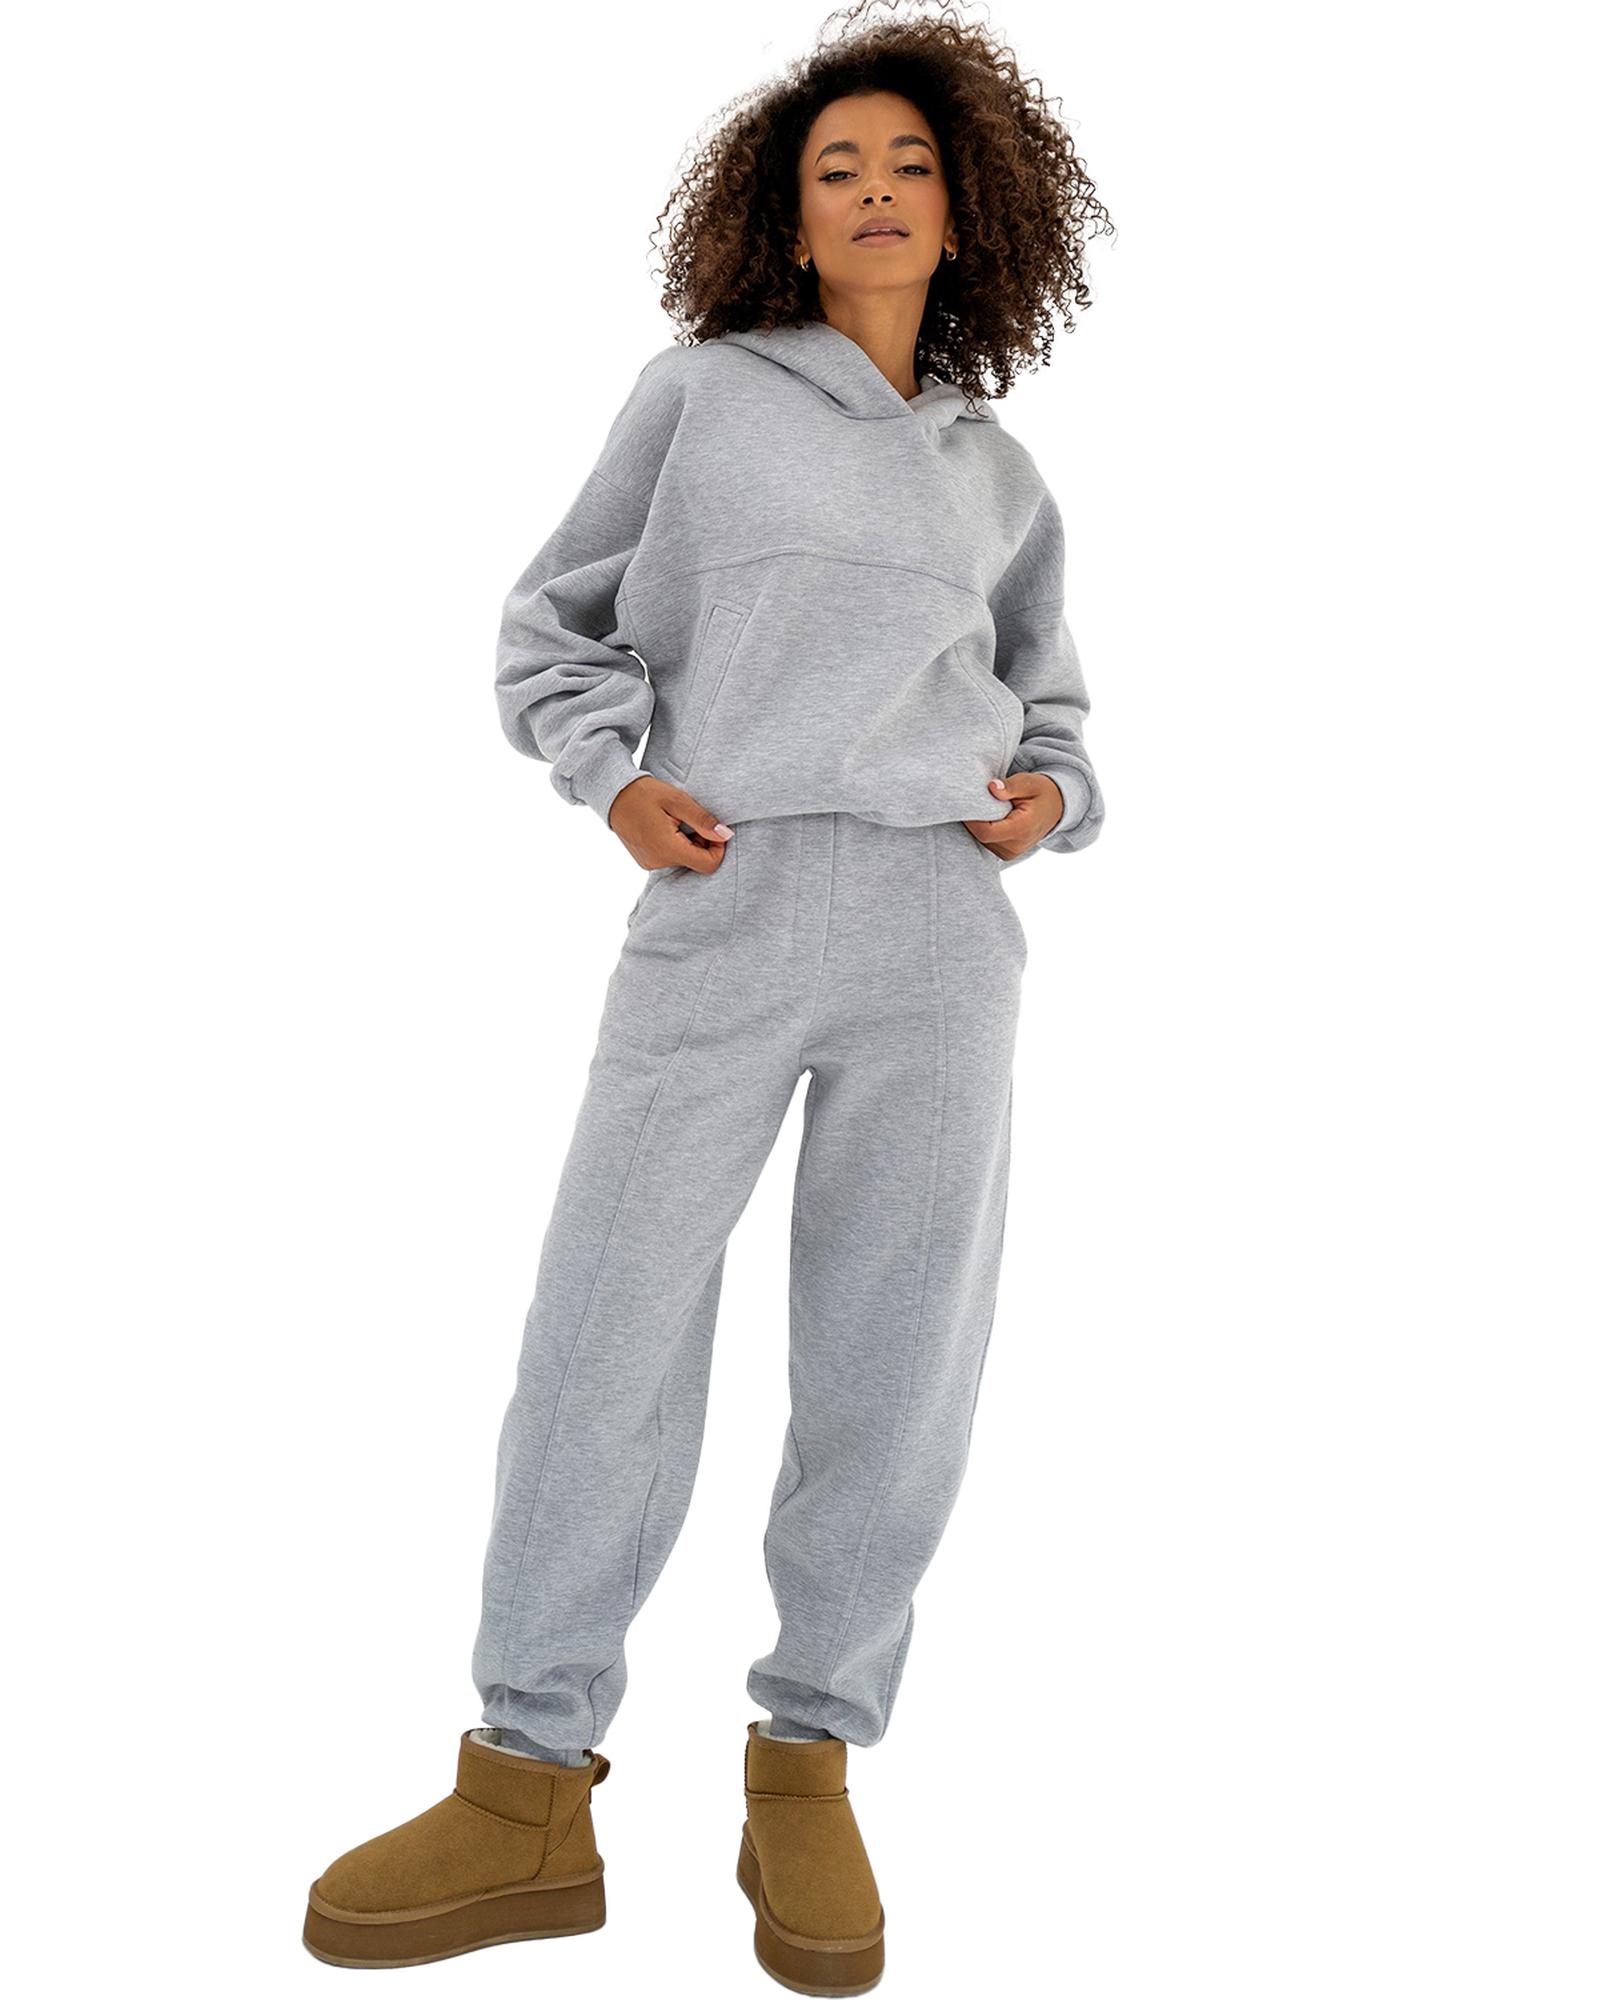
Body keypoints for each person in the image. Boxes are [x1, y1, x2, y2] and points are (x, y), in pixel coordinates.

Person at [303, 3, 1113, 1985]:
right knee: (606, 1324)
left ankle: (805, 1765)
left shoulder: (998, 472)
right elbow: (552, 622)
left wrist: (1050, 797)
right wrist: (611, 779)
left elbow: (1053, 704)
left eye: (909, 164)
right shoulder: (701, 398)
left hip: (938, 935)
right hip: (723, 893)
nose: (874, 190)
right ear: (784, 211)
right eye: (836, 166)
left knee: (894, 1356)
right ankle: (526, 1781)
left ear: (968, 210)